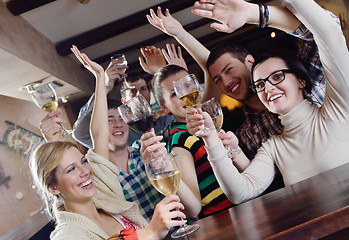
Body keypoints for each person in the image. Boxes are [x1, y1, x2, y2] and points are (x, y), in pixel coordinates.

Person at [186, 0, 349, 204]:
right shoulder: (273, 147)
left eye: (278, 76)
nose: (269, 88)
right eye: (261, 84)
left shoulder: (339, 107)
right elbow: (240, 192)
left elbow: (329, 30)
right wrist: (210, 138)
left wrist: (254, 12)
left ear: (300, 80)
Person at [30, 45, 187, 239]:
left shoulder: (103, 196)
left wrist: (99, 79)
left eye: (84, 161)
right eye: (71, 169)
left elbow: (99, 136)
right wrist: (151, 232)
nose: (85, 171)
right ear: (53, 188)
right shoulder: (67, 233)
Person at [141, 64, 250, 218]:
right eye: (174, 93)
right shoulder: (181, 140)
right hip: (229, 218)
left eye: (187, 85)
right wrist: (163, 166)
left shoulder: (209, 123)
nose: (185, 93)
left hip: (250, 203)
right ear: (164, 107)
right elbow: (193, 209)